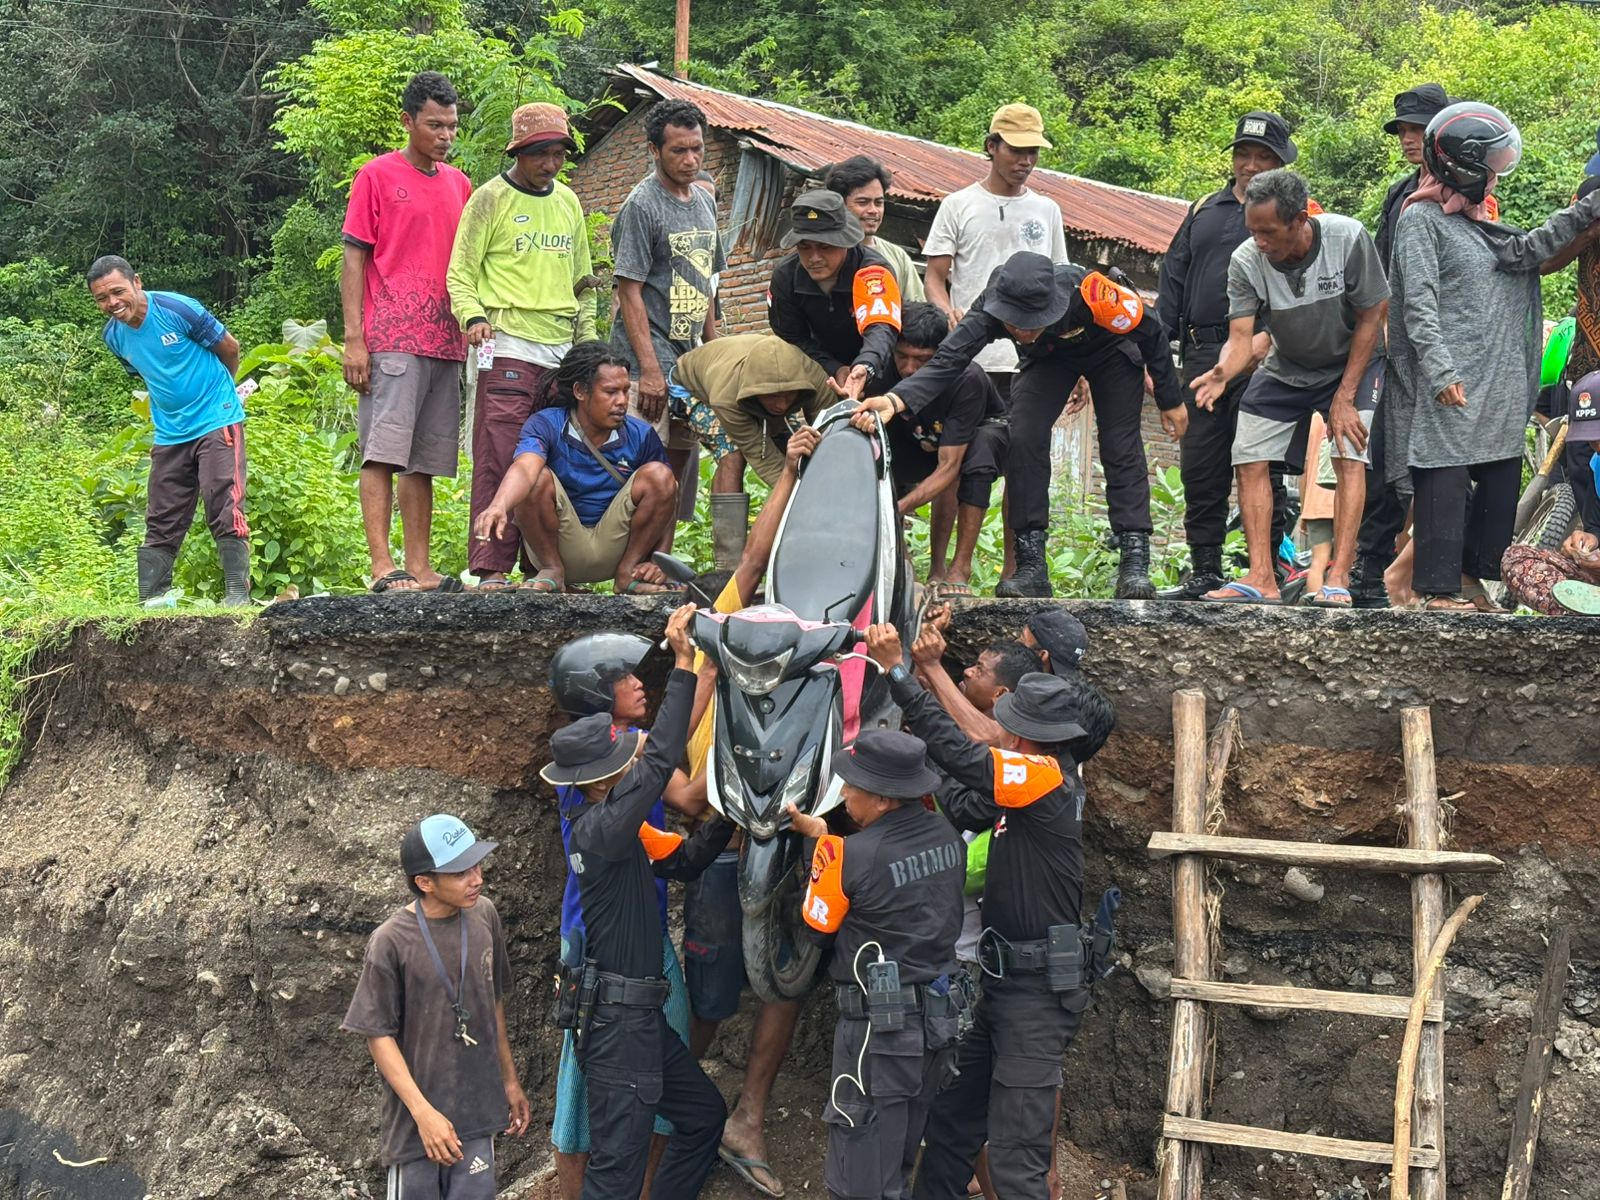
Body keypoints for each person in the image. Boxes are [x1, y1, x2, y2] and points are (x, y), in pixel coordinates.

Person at [859, 622, 1091, 1200]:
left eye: (1011, 730)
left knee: (1016, 1159)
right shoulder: (1024, 787)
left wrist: (899, 675)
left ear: (1030, 736)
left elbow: (968, 760)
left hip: (1036, 994)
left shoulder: (1043, 779)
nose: (1002, 736)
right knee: (954, 1124)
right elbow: (964, 793)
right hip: (1007, 985)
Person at [855, 251, 1188, 600]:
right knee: (1024, 437)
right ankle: (1031, 566)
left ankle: (1134, 563)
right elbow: (949, 359)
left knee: (1120, 445)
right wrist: (894, 401)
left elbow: (1150, 330)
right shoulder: (988, 309)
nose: (1022, 330)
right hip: (1047, 358)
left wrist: (1170, 400)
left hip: (1111, 351)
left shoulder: (1092, 292)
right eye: (1015, 323)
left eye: (1032, 321)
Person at [540, 604, 732, 1200]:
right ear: (605, 776)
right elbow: (660, 757)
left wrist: (731, 812)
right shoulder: (602, 825)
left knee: (703, 1117)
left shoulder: (619, 825)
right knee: (615, 1176)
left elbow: (687, 861)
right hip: (619, 1026)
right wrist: (681, 663)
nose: (637, 756)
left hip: (638, 1021)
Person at [679, 429, 823, 1200]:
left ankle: (751, 1117)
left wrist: (794, 469)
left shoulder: (806, 653)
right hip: (721, 847)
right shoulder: (705, 665)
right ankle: (673, 1103)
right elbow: (747, 565)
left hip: (795, 845)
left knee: (789, 982)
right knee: (709, 996)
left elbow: (756, 557)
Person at [1385, 103, 1600, 611]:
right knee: (1446, 476)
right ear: (1463, 164)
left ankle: (1468, 579)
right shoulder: (1422, 221)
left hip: (1500, 383)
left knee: (1500, 481)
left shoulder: (1482, 225)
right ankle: (1434, 589)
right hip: (1454, 381)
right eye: (1493, 164)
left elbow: (1531, 251)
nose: (1498, 175)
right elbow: (1415, 303)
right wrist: (1439, 370)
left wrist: (1588, 210)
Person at [1190, 169, 1389, 606]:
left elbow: (1373, 317)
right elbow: (1242, 338)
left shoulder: (1347, 238)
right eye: (1252, 231)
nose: (1259, 241)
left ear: (1300, 219)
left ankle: (1338, 577)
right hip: (1288, 365)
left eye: (1268, 232)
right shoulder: (1246, 260)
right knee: (1248, 452)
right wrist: (1222, 374)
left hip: (1351, 363)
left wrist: (1344, 396)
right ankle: (1262, 576)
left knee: (1349, 452)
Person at [784, 730, 966, 1200]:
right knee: (898, 1164)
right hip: (936, 1028)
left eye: (852, 785)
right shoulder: (948, 836)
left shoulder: (850, 856)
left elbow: (816, 928)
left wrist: (820, 850)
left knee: (859, 1178)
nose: (844, 794)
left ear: (883, 799)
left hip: (878, 1037)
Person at [341, 814, 529, 1198]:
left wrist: (509, 1081)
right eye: (461, 872)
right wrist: (424, 1114)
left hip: (476, 1114)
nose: (477, 878)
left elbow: (492, 1003)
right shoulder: (390, 941)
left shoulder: (485, 916)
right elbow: (378, 1036)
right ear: (425, 882)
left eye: (477, 864)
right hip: (416, 1129)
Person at [447, 102, 594, 591]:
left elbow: (584, 283)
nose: (550, 164)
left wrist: (587, 348)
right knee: (502, 454)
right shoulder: (489, 199)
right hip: (506, 343)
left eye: (557, 155)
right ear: (519, 153)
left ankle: (543, 568)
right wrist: (473, 317)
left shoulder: (568, 203)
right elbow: (461, 273)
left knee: (557, 458)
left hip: (561, 351)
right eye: (540, 155)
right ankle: (491, 567)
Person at [1156, 112, 1298, 600]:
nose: (1250, 165)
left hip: (1266, 354)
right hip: (1202, 351)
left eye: (1263, 157)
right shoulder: (1204, 209)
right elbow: (1173, 280)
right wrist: (1159, 359)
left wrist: (1269, 337)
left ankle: (1268, 572)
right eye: (1244, 154)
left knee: (1262, 463)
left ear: (1281, 164)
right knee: (1202, 463)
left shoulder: (1296, 214)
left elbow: (1305, 291)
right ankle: (1206, 571)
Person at [341, 71, 473, 594]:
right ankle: (381, 565)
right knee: (383, 450)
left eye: (452, 127)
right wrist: (356, 338)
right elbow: (355, 258)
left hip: (447, 342)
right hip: (392, 336)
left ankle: (419, 566)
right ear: (408, 121)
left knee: (425, 459)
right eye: (434, 125)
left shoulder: (460, 183)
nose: (445, 136)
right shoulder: (375, 176)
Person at [88, 255, 251, 606]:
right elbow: (148, 375)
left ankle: (237, 595)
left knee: (223, 501)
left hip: (216, 417)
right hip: (170, 431)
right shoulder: (114, 337)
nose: (112, 303)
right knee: (162, 512)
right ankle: (152, 599)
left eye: (117, 291)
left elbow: (230, 349)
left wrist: (221, 395)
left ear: (137, 283)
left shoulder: (178, 309)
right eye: (102, 298)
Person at [1349, 84, 1452, 608]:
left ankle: (1439, 579)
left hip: (1448, 354)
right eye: (1404, 130)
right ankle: (1368, 570)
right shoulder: (1398, 193)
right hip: (1397, 348)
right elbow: (1383, 277)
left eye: (1419, 129)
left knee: (1444, 464)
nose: (1409, 139)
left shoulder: (1472, 191)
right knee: (1382, 457)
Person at [470, 343, 680, 595]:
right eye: (611, 392)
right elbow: (525, 468)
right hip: (559, 546)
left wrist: (660, 560)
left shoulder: (641, 434)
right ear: (580, 391)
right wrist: (498, 506)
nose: (622, 401)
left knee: (661, 475)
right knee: (536, 479)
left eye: (625, 391)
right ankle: (552, 570)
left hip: (618, 550)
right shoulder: (546, 423)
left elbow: (669, 497)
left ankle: (627, 575)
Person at [610, 99, 724, 502]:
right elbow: (629, 290)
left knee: (678, 473)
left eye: (697, 149)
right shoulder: (641, 206)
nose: (690, 159)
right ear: (654, 150)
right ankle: (630, 562)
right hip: (647, 366)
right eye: (679, 150)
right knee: (646, 473)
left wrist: (716, 355)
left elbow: (708, 282)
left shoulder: (705, 202)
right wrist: (649, 370)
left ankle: (663, 561)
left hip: (689, 363)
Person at [923, 103, 1070, 403]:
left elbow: (1062, 284)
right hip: (972, 357)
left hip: (1032, 360)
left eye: (1033, 152)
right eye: (1016, 150)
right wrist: (948, 312)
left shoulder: (1047, 210)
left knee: (1022, 445)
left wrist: (1070, 359)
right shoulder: (958, 205)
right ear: (992, 146)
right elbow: (934, 278)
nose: (1026, 161)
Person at [668, 332, 832, 566]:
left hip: (748, 393)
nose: (782, 405)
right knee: (732, 453)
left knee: (803, 445)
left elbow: (831, 431)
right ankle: (729, 565)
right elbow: (764, 458)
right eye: (773, 397)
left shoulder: (812, 375)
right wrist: (806, 500)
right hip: (689, 389)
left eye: (788, 396)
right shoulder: (726, 397)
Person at [880, 302, 1008, 595]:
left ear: (941, 354)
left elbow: (949, 467)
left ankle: (954, 569)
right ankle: (902, 566)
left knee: (970, 462)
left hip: (972, 440)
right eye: (902, 356)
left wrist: (897, 509)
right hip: (918, 435)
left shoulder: (967, 378)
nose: (909, 368)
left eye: (922, 360)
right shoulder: (884, 369)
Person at [767, 189, 902, 399]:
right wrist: (833, 367)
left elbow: (881, 328)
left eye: (825, 246)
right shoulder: (785, 277)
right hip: (822, 375)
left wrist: (866, 365)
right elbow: (791, 336)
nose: (814, 257)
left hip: (880, 369)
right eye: (804, 247)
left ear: (844, 242)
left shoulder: (873, 271)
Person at [1502, 373, 1600, 614]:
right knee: (1516, 559)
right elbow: (1596, 527)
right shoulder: (1597, 465)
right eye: (1590, 438)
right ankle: (1581, 611)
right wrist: (1588, 542)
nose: (1596, 445)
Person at [824, 155, 928, 301]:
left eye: (878, 203)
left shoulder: (898, 257)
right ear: (839, 205)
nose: (873, 210)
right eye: (863, 202)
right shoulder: (821, 252)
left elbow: (916, 313)